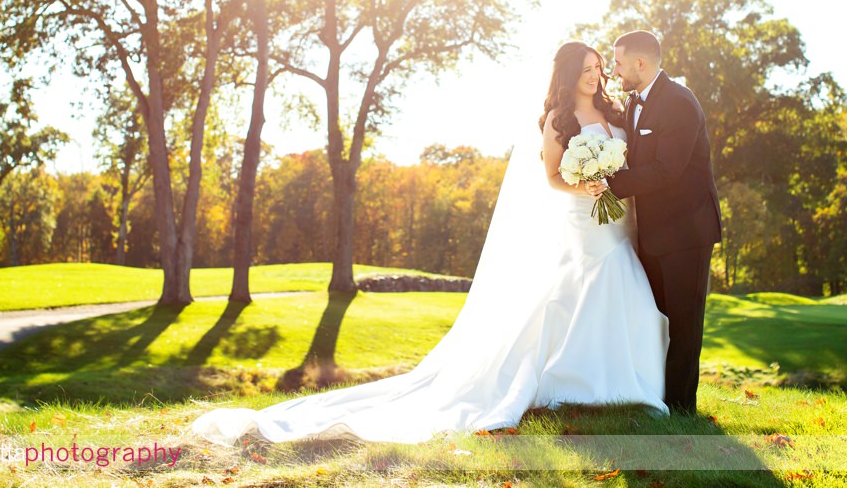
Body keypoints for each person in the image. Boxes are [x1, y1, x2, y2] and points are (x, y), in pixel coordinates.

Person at [191, 41, 667, 445]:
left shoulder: (613, 110)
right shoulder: (558, 121)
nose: (595, 75)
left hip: (619, 221)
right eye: (585, 70)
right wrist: (583, 184)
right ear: (567, 75)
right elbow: (551, 178)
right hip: (583, 220)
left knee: (630, 299)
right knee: (578, 296)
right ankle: (579, 383)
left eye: (598, 68)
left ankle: (630, 385)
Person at [588, 30, 721, 414]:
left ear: (640, 64)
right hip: (650, 232)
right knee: (654, 315)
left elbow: (667, 170)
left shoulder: (680, 101)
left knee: (683, 322)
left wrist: (609, 182)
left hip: (687, 232)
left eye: (617, 62)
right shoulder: (631, 103)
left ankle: (681, 409)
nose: (613, 70)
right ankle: (650, 394)